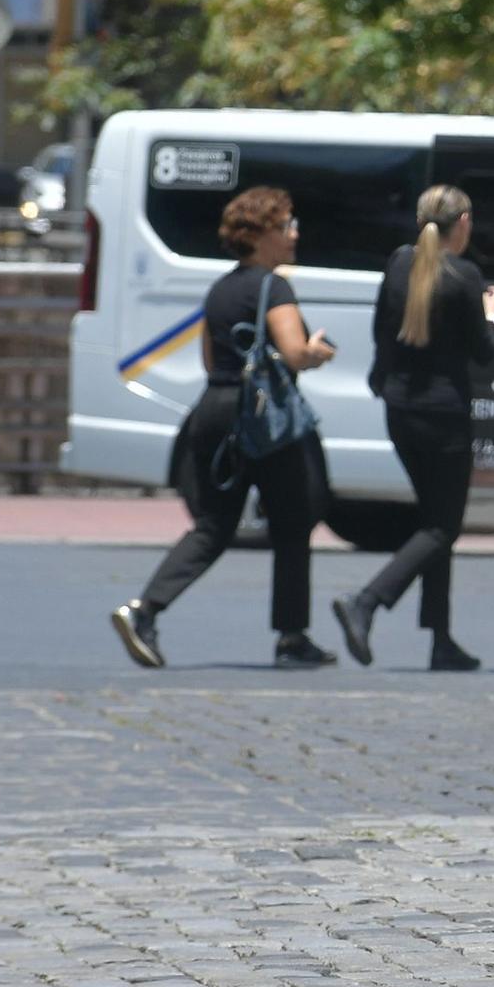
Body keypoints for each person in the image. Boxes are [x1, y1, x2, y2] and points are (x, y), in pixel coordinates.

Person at [111, 187, 339, 669]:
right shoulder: (274, 287)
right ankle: (292, 637)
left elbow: (211, 359)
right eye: (286, 226)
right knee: (297, 519)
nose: (294, 235)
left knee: (214, 525)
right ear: (261, 236)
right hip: (264, 418)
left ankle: (145, 610)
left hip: (215, 408)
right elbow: (294, 352)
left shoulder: (219, 290)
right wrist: (318, 351)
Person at [332, 185, 494, 671]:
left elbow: (380, 333)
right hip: (444, 415)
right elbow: (484, 354)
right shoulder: (466, 276)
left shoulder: (398, 263)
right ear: (464, 222)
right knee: (441, 526)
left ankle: (441, 639)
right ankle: (366, 601)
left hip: (401, 410)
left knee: (434, 520)